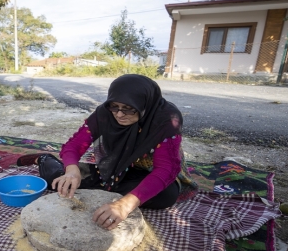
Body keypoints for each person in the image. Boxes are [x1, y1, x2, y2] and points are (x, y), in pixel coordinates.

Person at [18, 74, 197, 230]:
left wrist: (126, 204)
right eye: (115, 107)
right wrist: (72, 171)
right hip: (113, 162)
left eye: (129, 108)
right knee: (59, 183)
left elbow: (165, 169)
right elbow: (74, 145)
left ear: (145, 104)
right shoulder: (104, 112)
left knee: (166, 196)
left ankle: (114, 189)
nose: (119, 114)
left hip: (147, 170)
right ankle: (44, 159)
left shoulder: (167, 120)